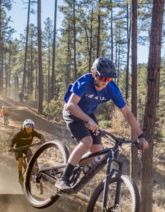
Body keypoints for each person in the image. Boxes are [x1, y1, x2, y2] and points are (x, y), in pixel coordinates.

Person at [57, 57, 149, 191]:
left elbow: (127, 113)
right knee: (87, 141)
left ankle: (74, 167)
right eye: (102, 78)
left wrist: (141, 136)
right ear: (94, 75)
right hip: (73, 111)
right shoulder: (85, 82)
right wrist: (89, 120)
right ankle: (63, 178)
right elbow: (71, 105)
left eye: (109, 79)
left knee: (97, 152)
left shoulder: (112, 89)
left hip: (88, 114)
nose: (105, 81)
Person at [8, 119, 45, 185]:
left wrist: (42, 139)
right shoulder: (19, 133)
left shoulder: (32, 132)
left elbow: (40, 135)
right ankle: (20, 175)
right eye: (28, 129)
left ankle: (35, 171)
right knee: (21, 160)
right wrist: (11, 147)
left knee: (32, 157)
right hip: (18, 149)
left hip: (27, 148)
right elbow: (12, 140)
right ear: (24, 128)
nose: (29, 130)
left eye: (31, 129)